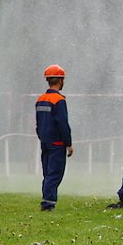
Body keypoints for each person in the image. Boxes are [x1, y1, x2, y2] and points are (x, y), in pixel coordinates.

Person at [35, 64, 73, 211]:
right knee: (55, 173)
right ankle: (48, 203)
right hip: (57, 143)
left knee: (47, 172)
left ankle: (47, 200)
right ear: (61, 80)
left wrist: (41, 137)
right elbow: (63, 123)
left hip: (45, 141)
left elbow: (38, 122)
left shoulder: (41, 99)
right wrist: (68, 143)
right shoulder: (59, 100)